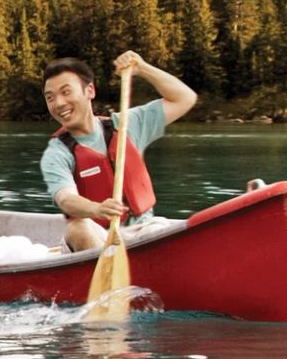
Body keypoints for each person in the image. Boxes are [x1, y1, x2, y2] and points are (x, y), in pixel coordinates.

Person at [41, 50, 197, 253]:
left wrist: (142, 68)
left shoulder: (125, 126)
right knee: (77, 228)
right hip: (99, 237)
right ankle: (112, 276)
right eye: (50, 97)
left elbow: (185, 98)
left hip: (143, 230)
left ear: (89, 91)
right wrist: (95, 209)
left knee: (169, 231)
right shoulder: (57, 153)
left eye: (66, 92)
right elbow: (65, 199)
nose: (58, 103)